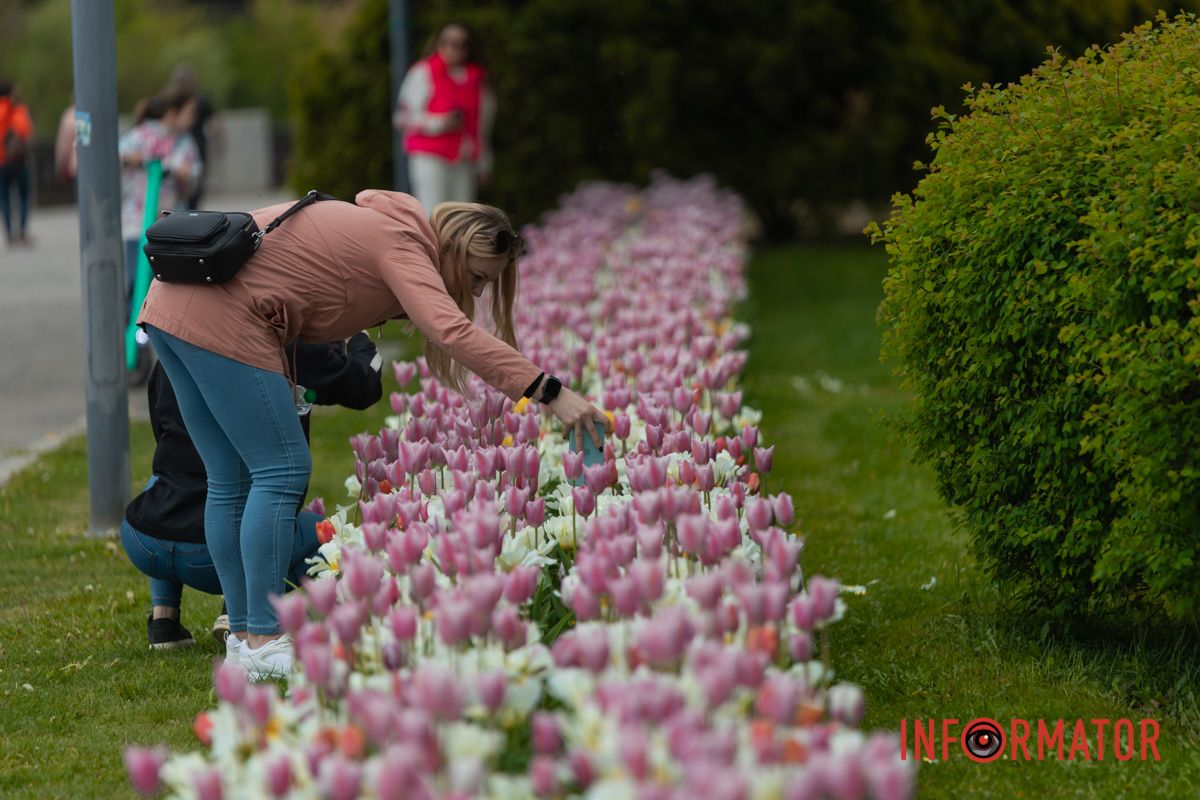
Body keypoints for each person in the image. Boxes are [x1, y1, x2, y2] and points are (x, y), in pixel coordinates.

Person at [138, 194, 608, 681]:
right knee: (281, 470)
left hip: (171, 301)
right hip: (217, 312)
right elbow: (453, 333)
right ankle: (263, 636)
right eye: (477, 278)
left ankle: (243, 637)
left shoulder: (386, 228)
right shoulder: (404, 246)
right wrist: (552, 393)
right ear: (453, 248)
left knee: (231, 477)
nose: (478, 290)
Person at [122, 334, 384, 651]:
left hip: (144, 536)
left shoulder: (176, 345)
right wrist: (358, 337)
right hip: (210, 557)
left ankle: (165, 619)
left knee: (172, 479)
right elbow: (363, 385)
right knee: (328, 536)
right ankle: (246, 620)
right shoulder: (278, 345)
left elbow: (162, 433)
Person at [394, 22, 495, 212]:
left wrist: (484, 164)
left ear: (469, 48)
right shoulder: (423, 72)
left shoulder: (477, 79)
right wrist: (439, 123)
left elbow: (483, 126)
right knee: (433, 212)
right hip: (430, 155)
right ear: (438, 44)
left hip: (463, 159)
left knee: (463, 215)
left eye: (460, 44)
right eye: (447, 42)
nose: (452, 49)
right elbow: (402, 117)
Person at [119, 90, 203, 306]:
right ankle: (134, 333)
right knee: (136, 283)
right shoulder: (142, 135)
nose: (193, 118)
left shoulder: (184, 143)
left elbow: (193, 177)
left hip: (168, 226)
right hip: (137, 223)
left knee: (164, 286)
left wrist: (185, 176)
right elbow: (117, 154)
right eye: (190, 112)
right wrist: (132, 159)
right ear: (173, 113)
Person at [167, 65, 222, 209]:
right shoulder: (175, 100)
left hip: (194, 146)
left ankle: (189, 211)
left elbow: (215, 122)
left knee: (193, 186)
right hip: (181, 147)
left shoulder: (200, 100)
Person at [0, 81, 34, 247]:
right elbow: (25, 131)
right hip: (18, 161)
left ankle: (8, 234)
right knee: (23, 196)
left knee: (4, 198)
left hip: (1, 161)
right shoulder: (18, 110)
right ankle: (22, 231)